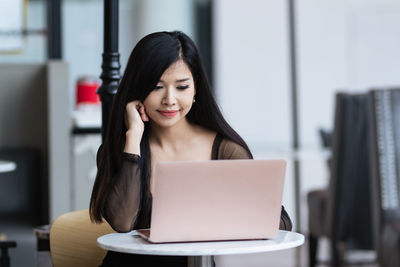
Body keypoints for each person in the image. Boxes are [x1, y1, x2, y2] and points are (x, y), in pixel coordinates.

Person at [89, 31, 292, 267]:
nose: (170, 100)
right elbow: (122, 222)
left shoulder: (225, 150)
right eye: (156, 87)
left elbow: (279, 222)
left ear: (196, 88)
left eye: (182, 87)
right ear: (138, 90)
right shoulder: (120, 150)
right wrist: (133, 137)